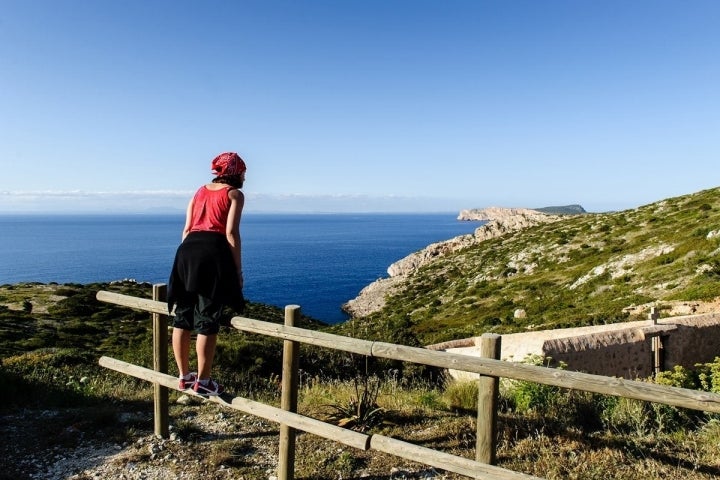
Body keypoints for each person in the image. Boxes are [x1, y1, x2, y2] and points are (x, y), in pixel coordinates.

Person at [167, 151, 246, 396]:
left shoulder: (199, 191)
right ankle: (204, 381)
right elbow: (231, 233)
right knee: (207, 320)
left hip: (187, 250)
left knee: (182, 315)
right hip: (213, 252)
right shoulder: (234, 194)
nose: (244, 176)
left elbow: (187, 228)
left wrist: (185, 258)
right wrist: (237, 270)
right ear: (235, 172)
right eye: (242, 172)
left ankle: (183, 377)